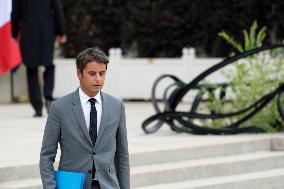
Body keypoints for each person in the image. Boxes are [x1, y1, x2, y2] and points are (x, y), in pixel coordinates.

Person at [39, 47, 130, 189]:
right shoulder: (59, 108)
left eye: (102, 73)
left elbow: (122, 157)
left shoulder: (117, 106)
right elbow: (46, 156)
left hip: (108, 185)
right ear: (79, 74)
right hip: (73, 185)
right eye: (92, 73)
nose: (98, 79)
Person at [11, 0, 67, 117]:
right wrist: (61, 32)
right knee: (49, 64)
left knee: (31, 68)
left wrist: (14, 34)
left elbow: (15, 13)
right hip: (47, 30)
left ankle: (37, 106)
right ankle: (48, 97)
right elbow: (57, 10)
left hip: (28, 31)